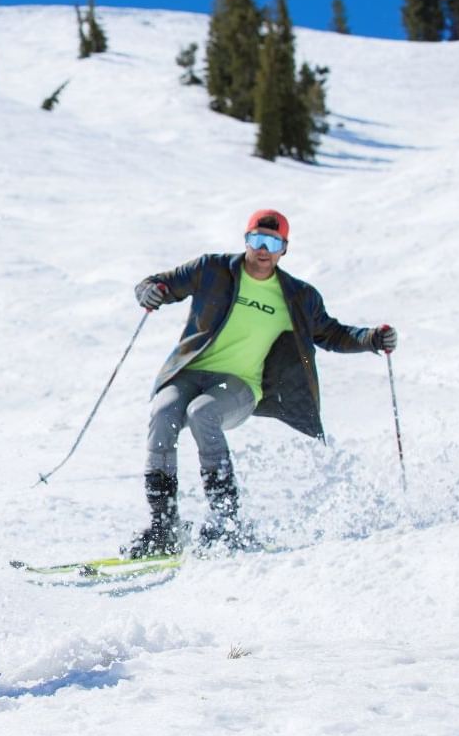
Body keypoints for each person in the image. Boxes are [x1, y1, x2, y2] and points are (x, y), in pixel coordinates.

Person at [127, 209, 397, 556]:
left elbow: (331, 333)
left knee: (202, 414)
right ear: (246, 240)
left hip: (240, 385)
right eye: (257, 240)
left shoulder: (297, 296)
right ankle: (163, 527)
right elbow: (156, 283)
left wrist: (372, 338)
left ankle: (227, 523)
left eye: (272, 242)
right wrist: (152, 292)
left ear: (285, 249)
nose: (263, 249)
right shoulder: (212, 269)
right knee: (163, 413)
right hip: (189, 373)